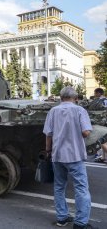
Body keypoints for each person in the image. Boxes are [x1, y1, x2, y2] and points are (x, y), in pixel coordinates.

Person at [43, 87, 96, 229]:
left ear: (61, 98)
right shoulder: (80, 110)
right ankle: (80, 223)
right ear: (76, 98)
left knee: (59, 187)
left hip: (57, 155)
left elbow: (48, 134)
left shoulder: (53, 111)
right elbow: (85, 132)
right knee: (81, 188)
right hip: (74, 156)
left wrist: (48, 151)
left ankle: (62, 217)